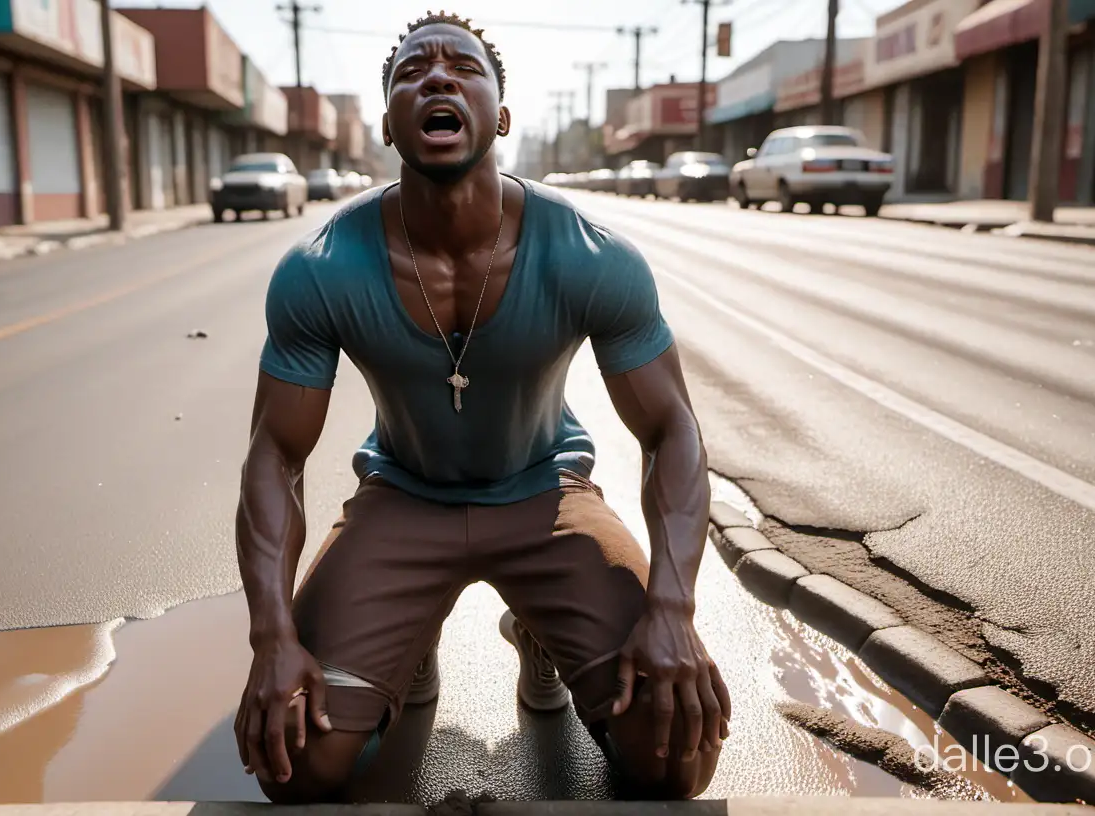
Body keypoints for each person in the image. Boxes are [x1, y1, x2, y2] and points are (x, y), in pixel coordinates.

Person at [233, 11, 731, 804]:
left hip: (546, 493)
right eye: (411, 72)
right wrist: (271, 641)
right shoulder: (321, 269)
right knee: (294, 761)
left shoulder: (586, 254)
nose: (436, 77)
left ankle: (540, 640)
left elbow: (672, 430)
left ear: (500, 115)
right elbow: (275, 456)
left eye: (462, 67)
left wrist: (673, 609)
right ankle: (408, 641)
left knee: (675, 754)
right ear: (391, 125)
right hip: (403, 494)